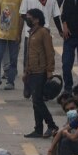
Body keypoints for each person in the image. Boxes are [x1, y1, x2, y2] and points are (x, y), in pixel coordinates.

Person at [22, 8, 58, 139]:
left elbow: (50, 52)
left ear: (37, 19)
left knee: (38, 100)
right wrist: (26, 71)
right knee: (35, 102)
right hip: (32, 72)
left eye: (29, 17)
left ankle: (52, 125)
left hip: (40, 72)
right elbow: (28, 55)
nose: (27, 19)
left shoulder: (43, 32)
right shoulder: (31, 33)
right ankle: (38, 129)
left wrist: (49, 70)